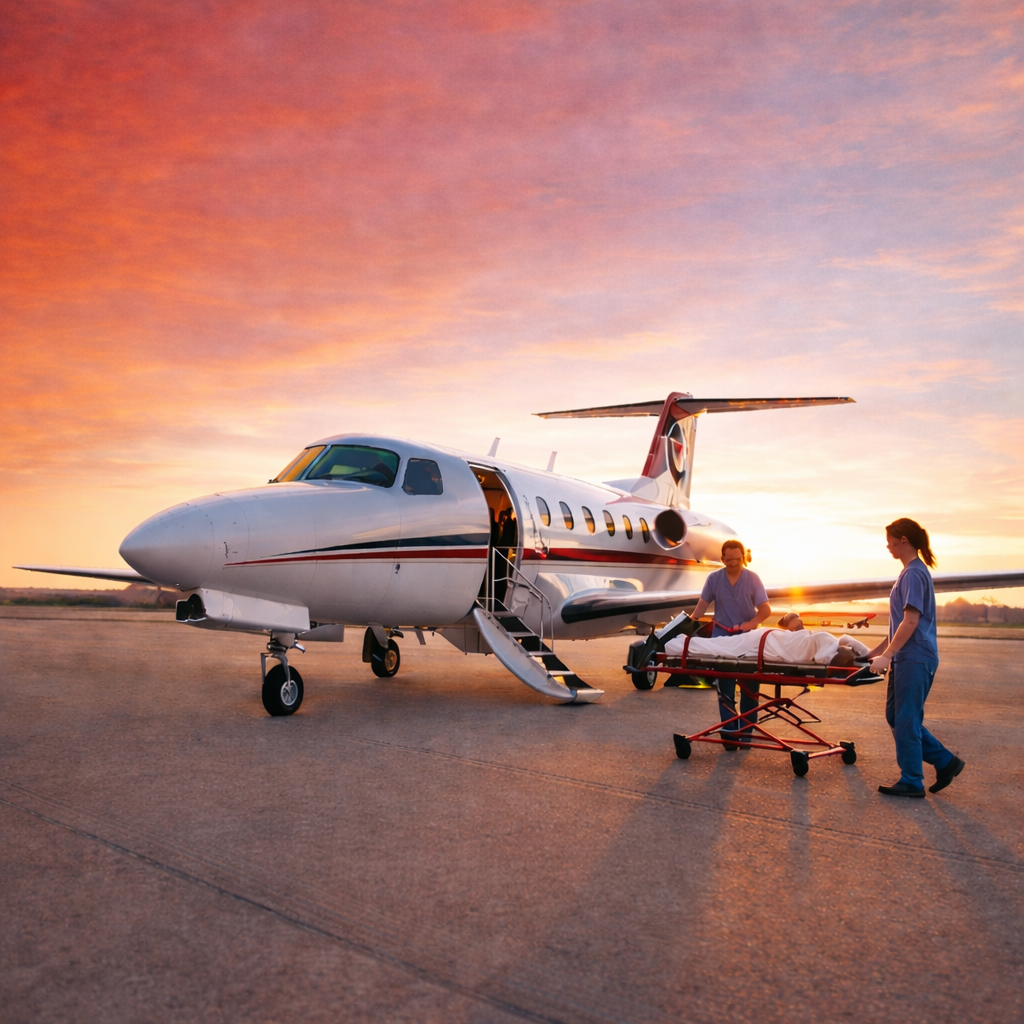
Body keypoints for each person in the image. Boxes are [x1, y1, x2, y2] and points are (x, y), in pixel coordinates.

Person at [865, 518, 965, 798]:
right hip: (905, 658)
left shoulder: (912, 574)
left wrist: (887, 655)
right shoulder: (910, 572)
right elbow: (900, 624)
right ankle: (945, 761)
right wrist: (875, 653)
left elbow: (911, 621)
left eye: (890, 540)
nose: (887, 545)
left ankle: (912, 780)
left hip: (915, 658)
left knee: (906, 719)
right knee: (895, 716)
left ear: (903, 540)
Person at [685, 539, 771, 746]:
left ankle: (747, 733)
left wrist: (750, 624)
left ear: (744, 558)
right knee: (725, 689)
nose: (732, 563)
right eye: (728, 559)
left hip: (747, 639)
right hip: (721, 639)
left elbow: (765, 611)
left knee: (750, 688)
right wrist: (688, 626)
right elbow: (701, 606)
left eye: (737, 559)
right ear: (722, 559)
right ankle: (730, 734)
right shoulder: (714, 579)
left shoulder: (753, 579)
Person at [663, 626, 868, 665]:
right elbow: (823, 659)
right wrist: (864, 658)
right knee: (718, 648)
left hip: (766, 640)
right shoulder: (827, 647)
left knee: (721, 645)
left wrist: (866, 655)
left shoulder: (829, 639)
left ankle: (676, 641)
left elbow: (848, 639)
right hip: (763, 645)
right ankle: (672, 645)